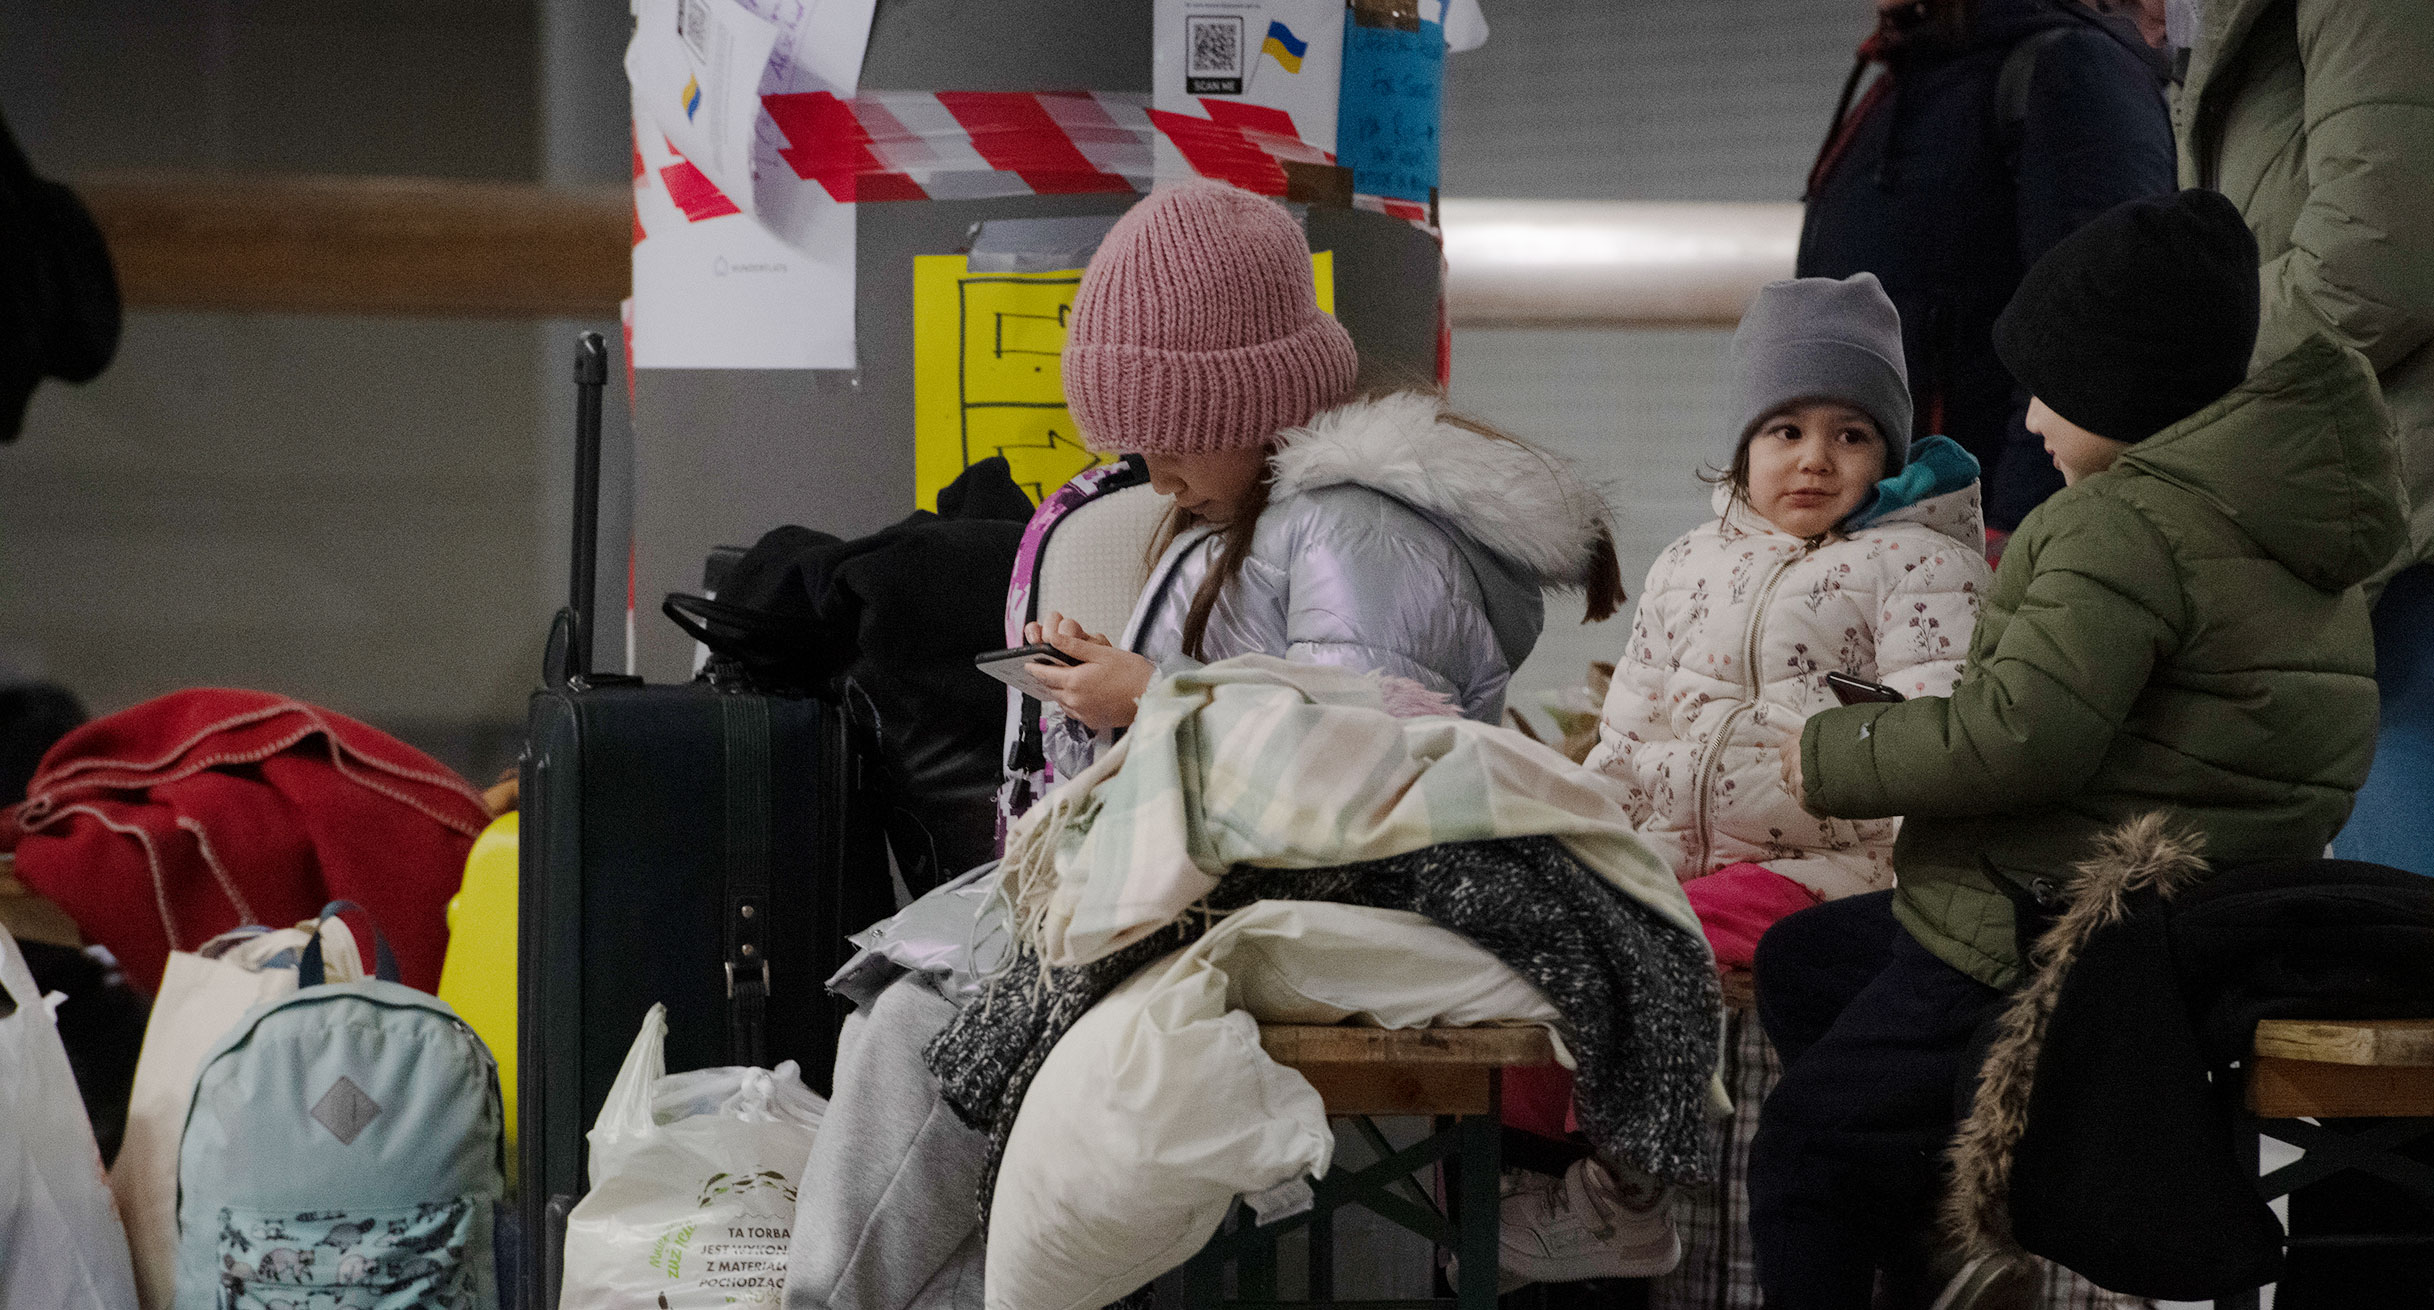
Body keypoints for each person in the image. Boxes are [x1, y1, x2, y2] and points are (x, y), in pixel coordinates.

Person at [782, 179, 1627, 1310]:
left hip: (1309, 896)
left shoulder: (1350, 524)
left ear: (1256, 402)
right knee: (901, 1018)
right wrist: (1119, 694)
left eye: (1169, 436)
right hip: (1217, 880)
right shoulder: (1256, 514)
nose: (1149, 467)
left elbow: (1379, 762)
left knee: (913, 1031)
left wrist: (1152, 696)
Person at [1751, 188, 2403, 1310]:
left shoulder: (2119, 523)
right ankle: (1944, 1237)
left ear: (2124, 390)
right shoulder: (2288, 514)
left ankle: (1944, 1214)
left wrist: (1832, 749)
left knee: (1804, 1147)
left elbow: (2016, 736)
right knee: (1807, 962)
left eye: (2052, 391)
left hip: (2052, 920)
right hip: (2185, 914)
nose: (2034, 420)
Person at [1515, 272, 1993, 1295]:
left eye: (1850, 433)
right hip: (1675, 858)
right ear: (1742, 443)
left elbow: (1934, 740)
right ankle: (1551, 1175)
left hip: (1832, 870)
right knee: (1538, 925)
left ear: (1890, 450)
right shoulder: (1691, 562)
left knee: (1663, 943)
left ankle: (1627, 1188)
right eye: (1784, 428)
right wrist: (1583, 829)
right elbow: (1630, 724)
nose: (1814, 456)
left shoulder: (1921, 564)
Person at [1798, 0, 2172, 546]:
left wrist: (2013, 540)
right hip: (1883, 545)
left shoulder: (2068, 68)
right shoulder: (1907, 79)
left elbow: (2095, 332)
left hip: (1983, 546)